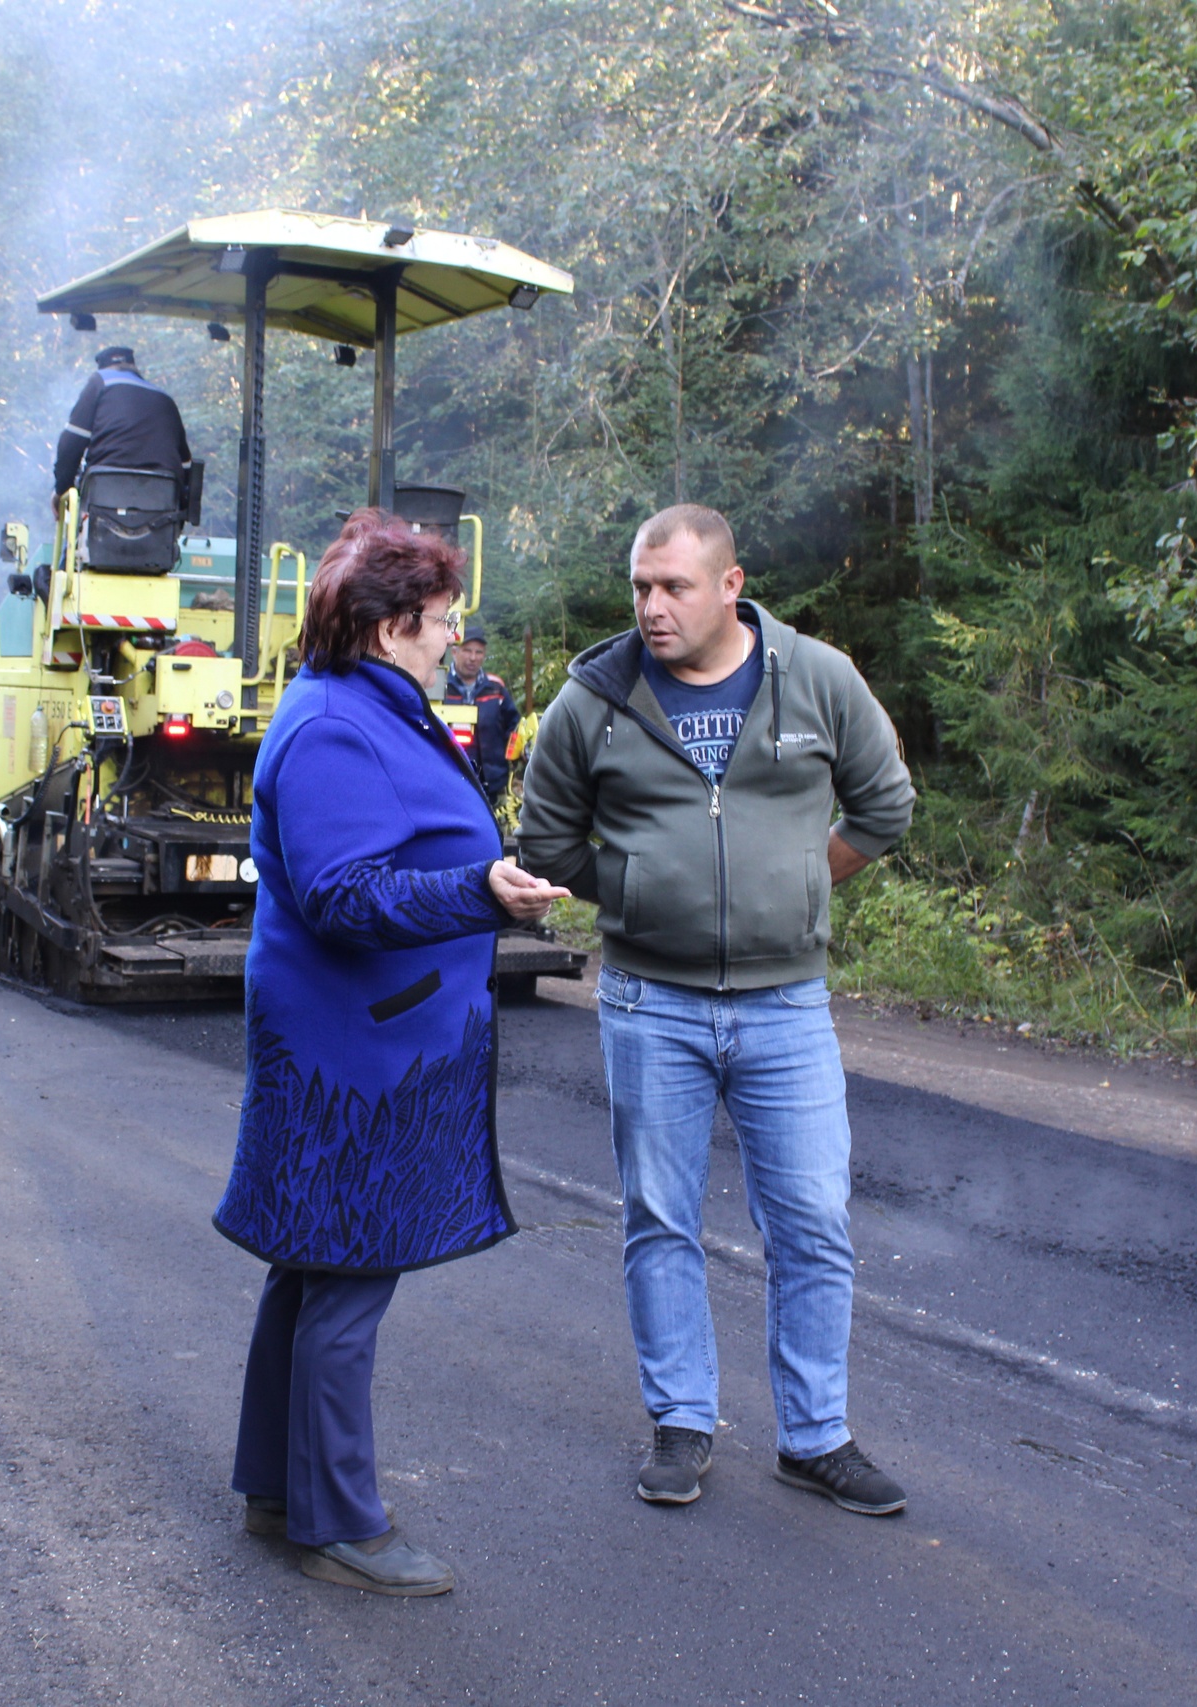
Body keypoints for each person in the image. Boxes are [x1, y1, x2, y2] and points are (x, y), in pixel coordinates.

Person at [516, 503, 917, 1518]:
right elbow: (549, 839)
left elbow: (884, 806)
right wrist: (647, 890)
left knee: (813, 1221)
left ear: (729, 586)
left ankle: (815, 1436)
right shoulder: (593, 700)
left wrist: (796, 887)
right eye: (641, 588)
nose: (653, 608)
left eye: (675, 588)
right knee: (660, 1219)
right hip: (650, 1001)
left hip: (787, 1004)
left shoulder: (814, 676)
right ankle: (682, 1423)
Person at [214, 509, 567, 1597]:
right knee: (348, 1276)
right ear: (385, 625)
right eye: (438, 621)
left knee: (313, 1266)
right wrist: (477, 888)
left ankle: (279, 1492)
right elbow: (336, 894)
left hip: (368, 1036)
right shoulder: (332, 727)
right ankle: (341, 1523)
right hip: (353, 1058)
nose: (450, 637)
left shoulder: (378, 705)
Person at [51, 346, 192, 499]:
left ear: (104, 367)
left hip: (105, 493)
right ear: (134, 368)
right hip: (162, 498)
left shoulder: (100, 380)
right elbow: (186, 466)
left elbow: (71, 444)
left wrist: (62, 490)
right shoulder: (165, 398)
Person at [439, 618, 516, 803]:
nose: (473, 658)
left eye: (478, 652)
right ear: (455, 652)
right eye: (467, 651)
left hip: (492, 784)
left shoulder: (496, 688)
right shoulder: (438, 686)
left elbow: (514, 727)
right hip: (448, 782)